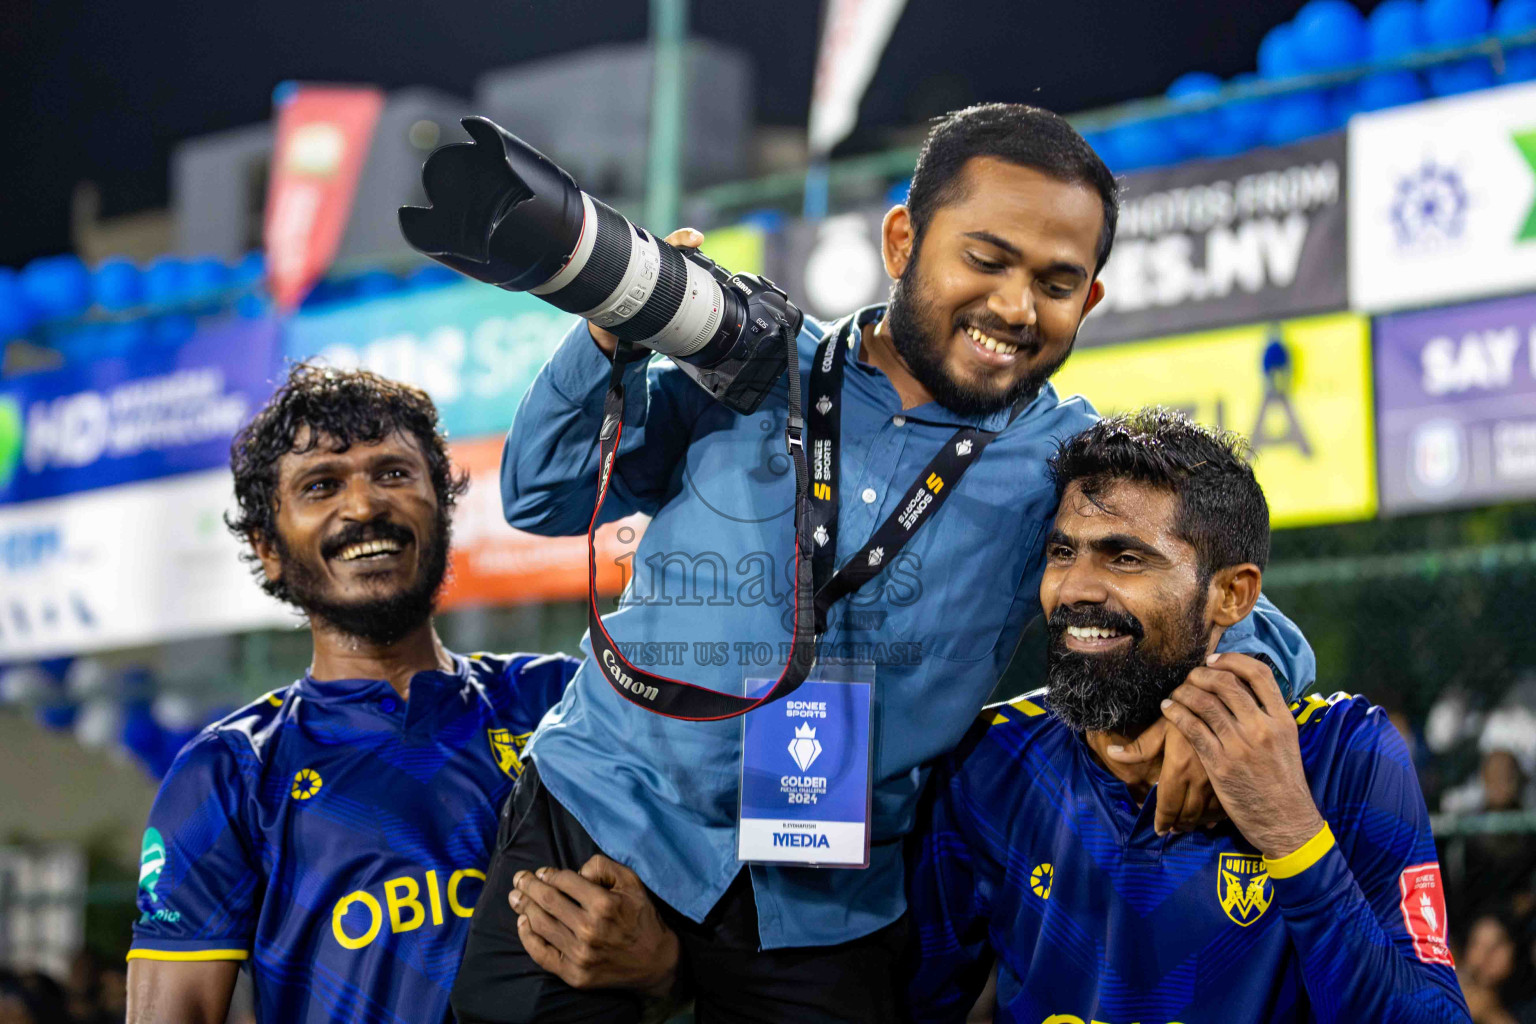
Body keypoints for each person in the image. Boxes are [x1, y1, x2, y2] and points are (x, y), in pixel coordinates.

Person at [452, 103, 1316, 1022]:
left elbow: (1220, 606)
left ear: (1090, 300)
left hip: (824, 904)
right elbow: (542, 494)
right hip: (606, 818)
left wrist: (1226, 683)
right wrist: (607, 333)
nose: (1017, 308)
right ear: (903, 240)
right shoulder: (755, 359)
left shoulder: (1070, 461)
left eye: (1057, 282)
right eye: (985, 260)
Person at [903, 410, 1470, 1022]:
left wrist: (1290, 834)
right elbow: (913, 1004)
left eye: (1125, 558)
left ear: (1232, 594)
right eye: (1063, 551)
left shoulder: (1342, 755)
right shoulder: (992, 762)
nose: (1075, 588)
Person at [123, 364, 580, 1024]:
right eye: (321, 486)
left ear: (444, 507)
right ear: (268, 548)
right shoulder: (230, 772)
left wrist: (659, 964)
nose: (364, 507)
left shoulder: (559, 704)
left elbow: (699, 931)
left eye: (393, 473)